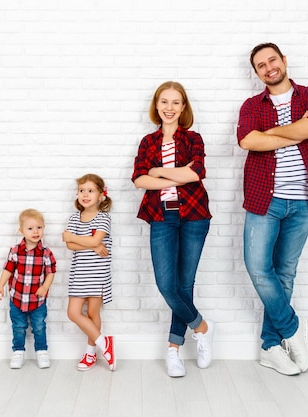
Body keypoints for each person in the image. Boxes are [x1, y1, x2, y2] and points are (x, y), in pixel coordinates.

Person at [236, 43, 308, 375]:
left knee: (284, 272)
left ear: (284, 61)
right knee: (259, 268)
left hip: (304, 201)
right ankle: (292, 328)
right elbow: (248, 141)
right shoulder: (251, 105)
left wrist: (269, 134)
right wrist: (293, 132)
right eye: (261, 65)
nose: (268, 67)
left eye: (272, 60)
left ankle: (270, 347)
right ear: (257, 72)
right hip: (265, 199)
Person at [132, 81, 214, 378]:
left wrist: (158, 172)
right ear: (156, 106)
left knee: (184, 284)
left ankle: (173, 349)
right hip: (161, 217)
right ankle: (202, 327)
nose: (169, 108)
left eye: (175, 102)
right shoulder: (147, 142)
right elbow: (139, 180)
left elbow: (196, 173)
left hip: (194, 215)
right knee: (167, 285)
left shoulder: (193, 138)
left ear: (183, 107)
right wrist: (177, 176)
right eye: (164, 102)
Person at [62, 173, 116, 371]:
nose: (85, 194)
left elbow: (84, 240)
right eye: (82, 191)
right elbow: (69, 245)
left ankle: (91, 353)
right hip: (79, 274)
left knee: (93, 313)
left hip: (97, 273)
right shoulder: (74, 218)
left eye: (90, 191)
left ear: (101, 195)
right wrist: (92, 245)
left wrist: (79, 239)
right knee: (73, 312)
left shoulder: (104, 218)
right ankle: (105, 343)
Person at [0, 208, 57, 370]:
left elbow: (51, 273)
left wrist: (45, 287)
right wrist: (0, 285)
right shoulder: (15, 251)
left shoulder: (46, 253)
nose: (35, 231)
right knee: (18, 327)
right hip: (17, 298)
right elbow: (8, 269)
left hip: (37, 300)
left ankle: (42, 351)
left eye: (39, 227)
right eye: (30, 228)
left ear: (44, 228)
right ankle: (18, 351)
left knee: (39, 326)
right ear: (21, 231)